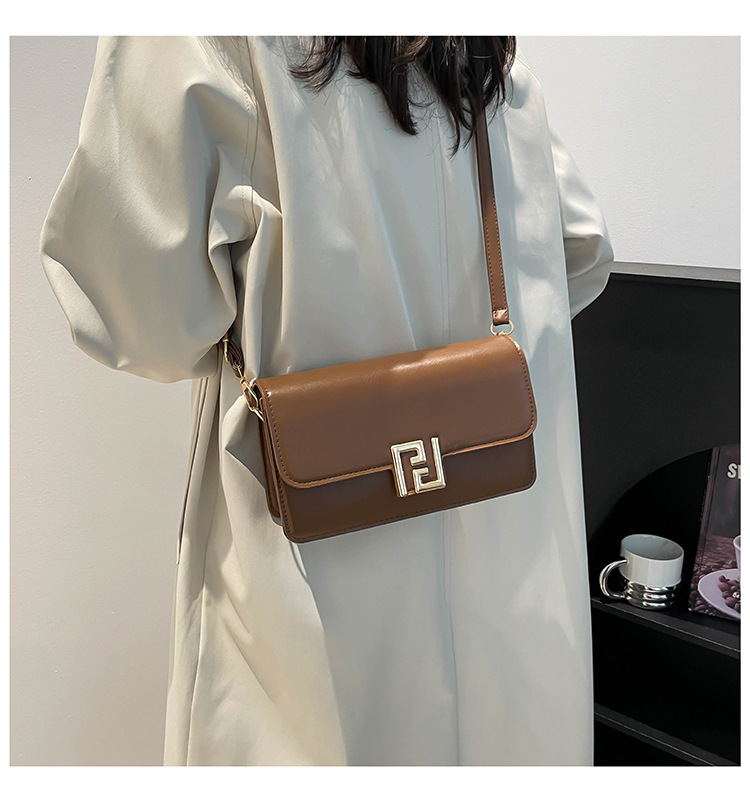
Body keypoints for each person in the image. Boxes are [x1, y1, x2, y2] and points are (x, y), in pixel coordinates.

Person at [40, 36, 613, 766]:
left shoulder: (203, 40)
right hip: (516, 610)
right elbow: (582, 250)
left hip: (312, 627)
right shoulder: (496, 76)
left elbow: (135, 318)